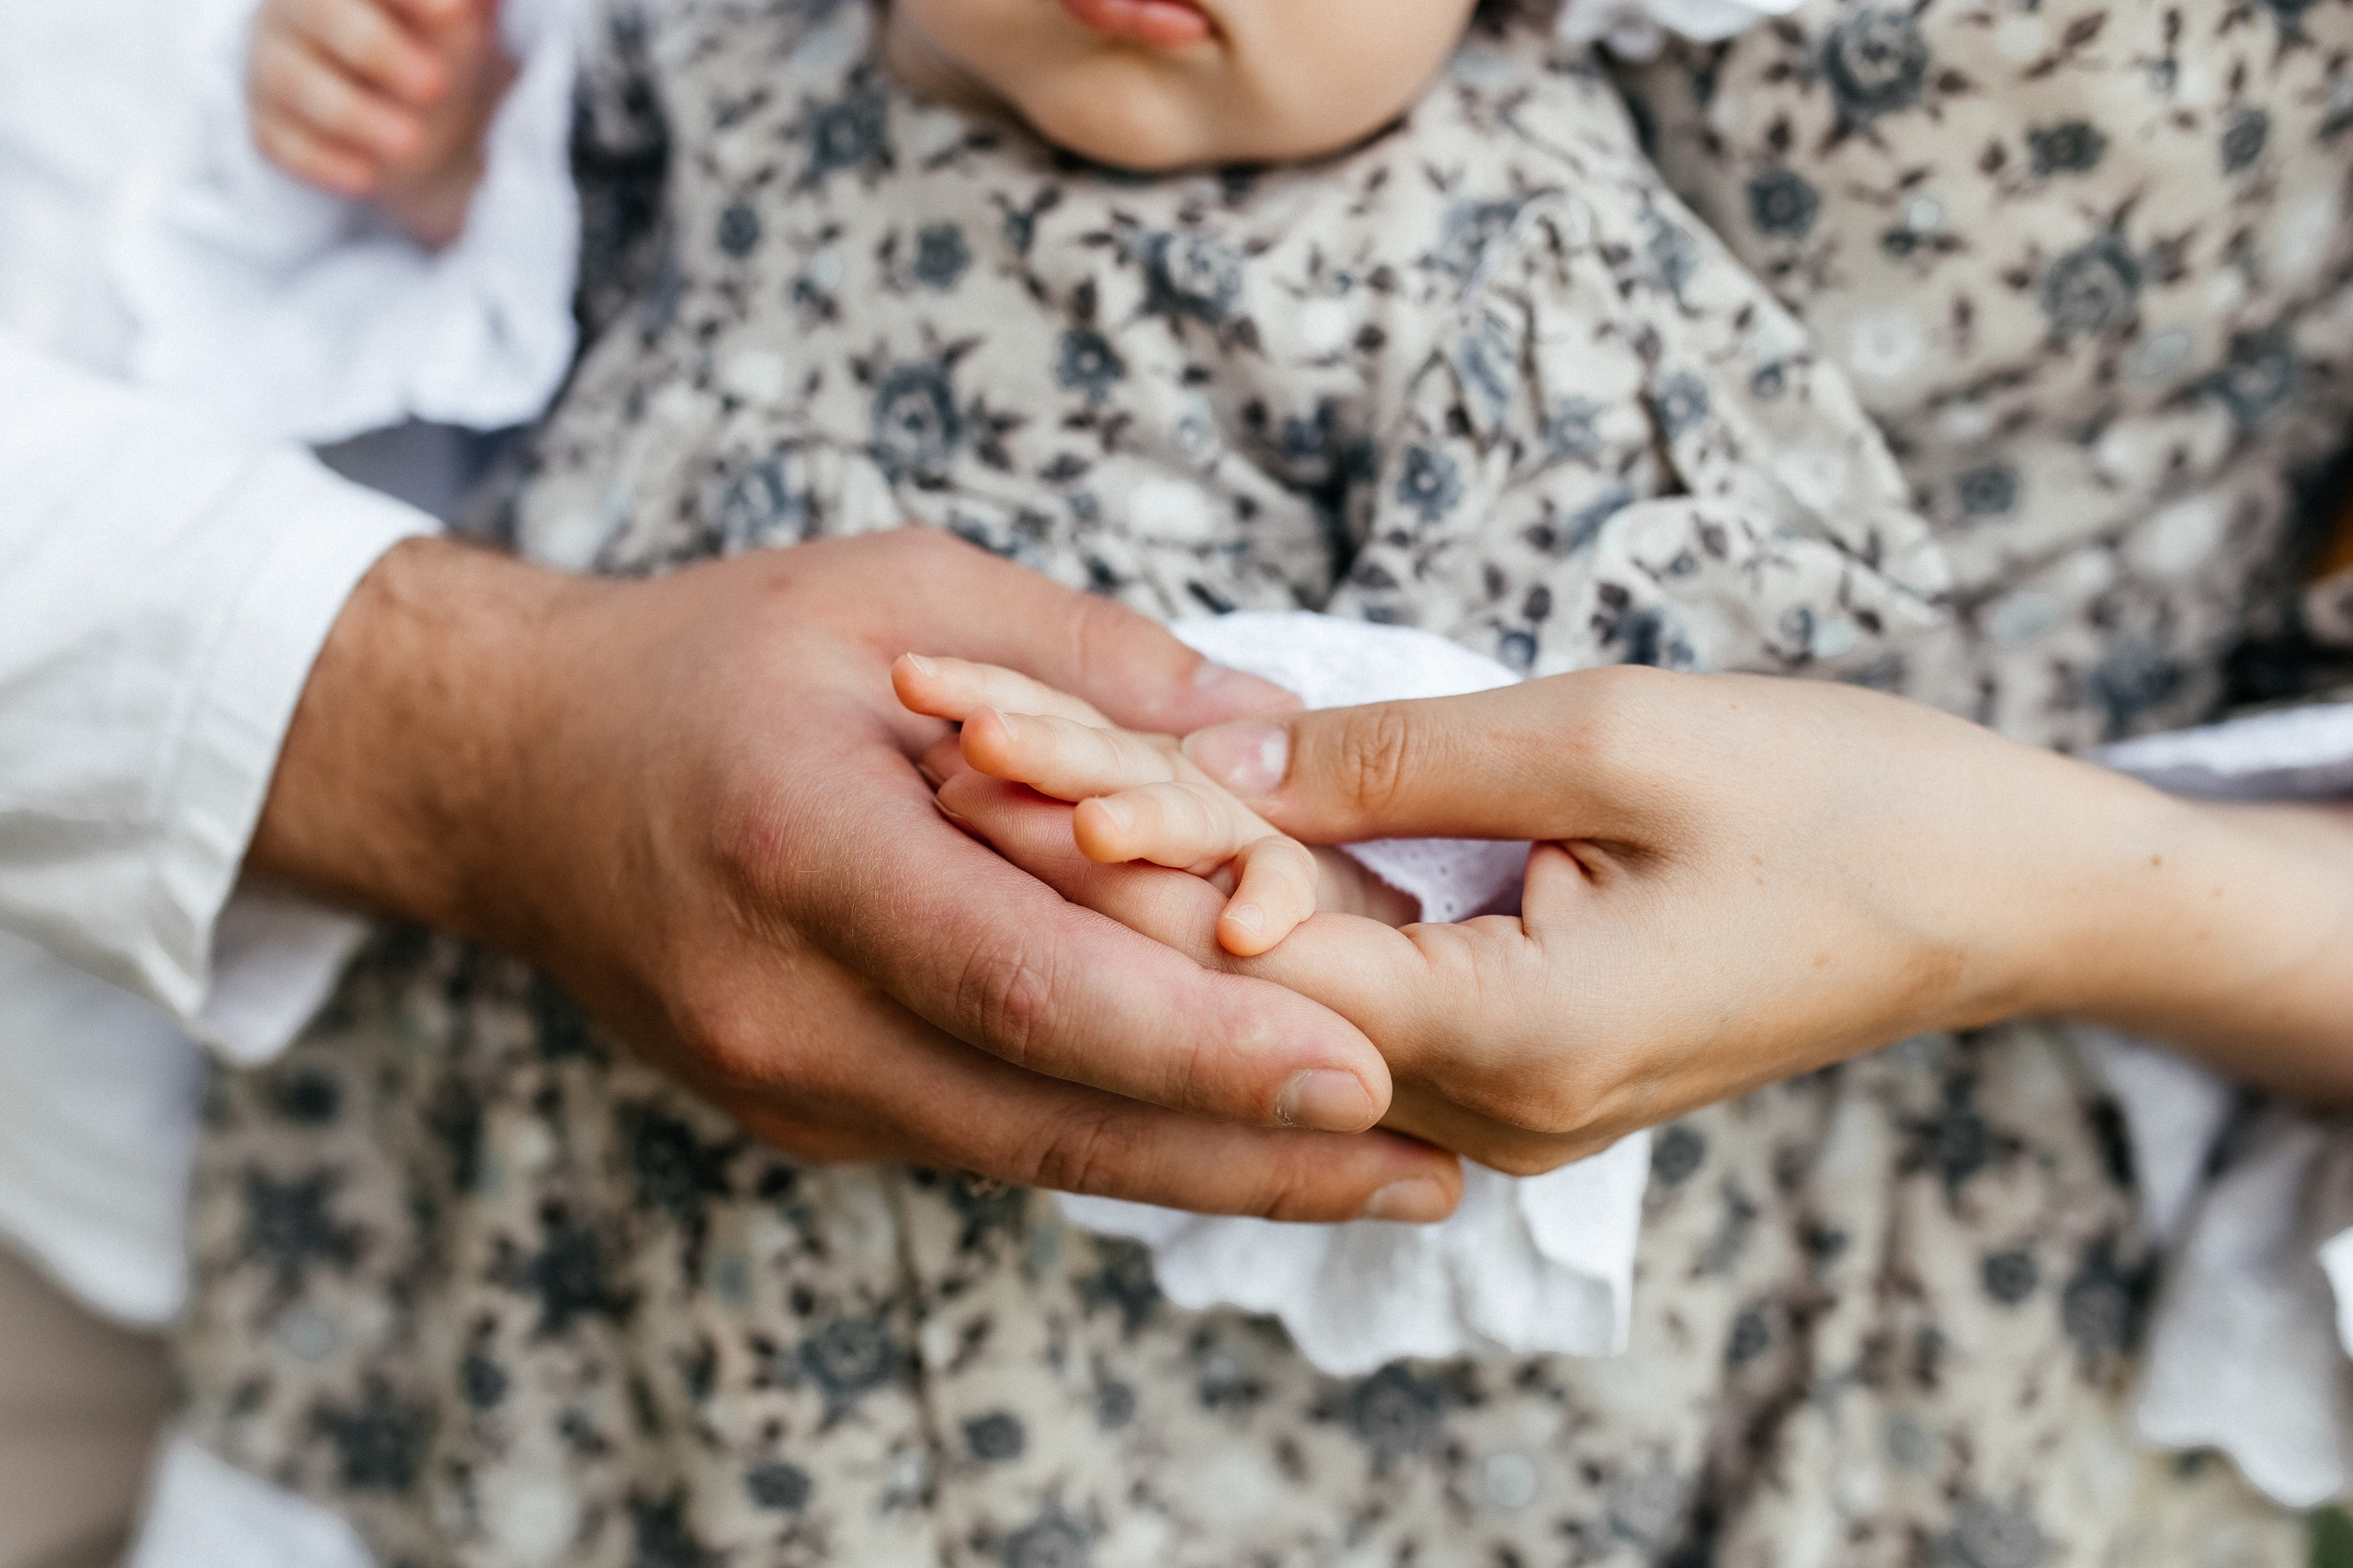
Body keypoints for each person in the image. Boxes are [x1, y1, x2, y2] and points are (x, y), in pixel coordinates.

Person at [159, 0, 2353, 1564]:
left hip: (1119, 1341)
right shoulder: (701, 54)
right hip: (580, 1155)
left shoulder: (1504, 253)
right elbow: (454, 377)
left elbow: (1573, 771)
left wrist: (1273, 860)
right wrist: (432, 162)